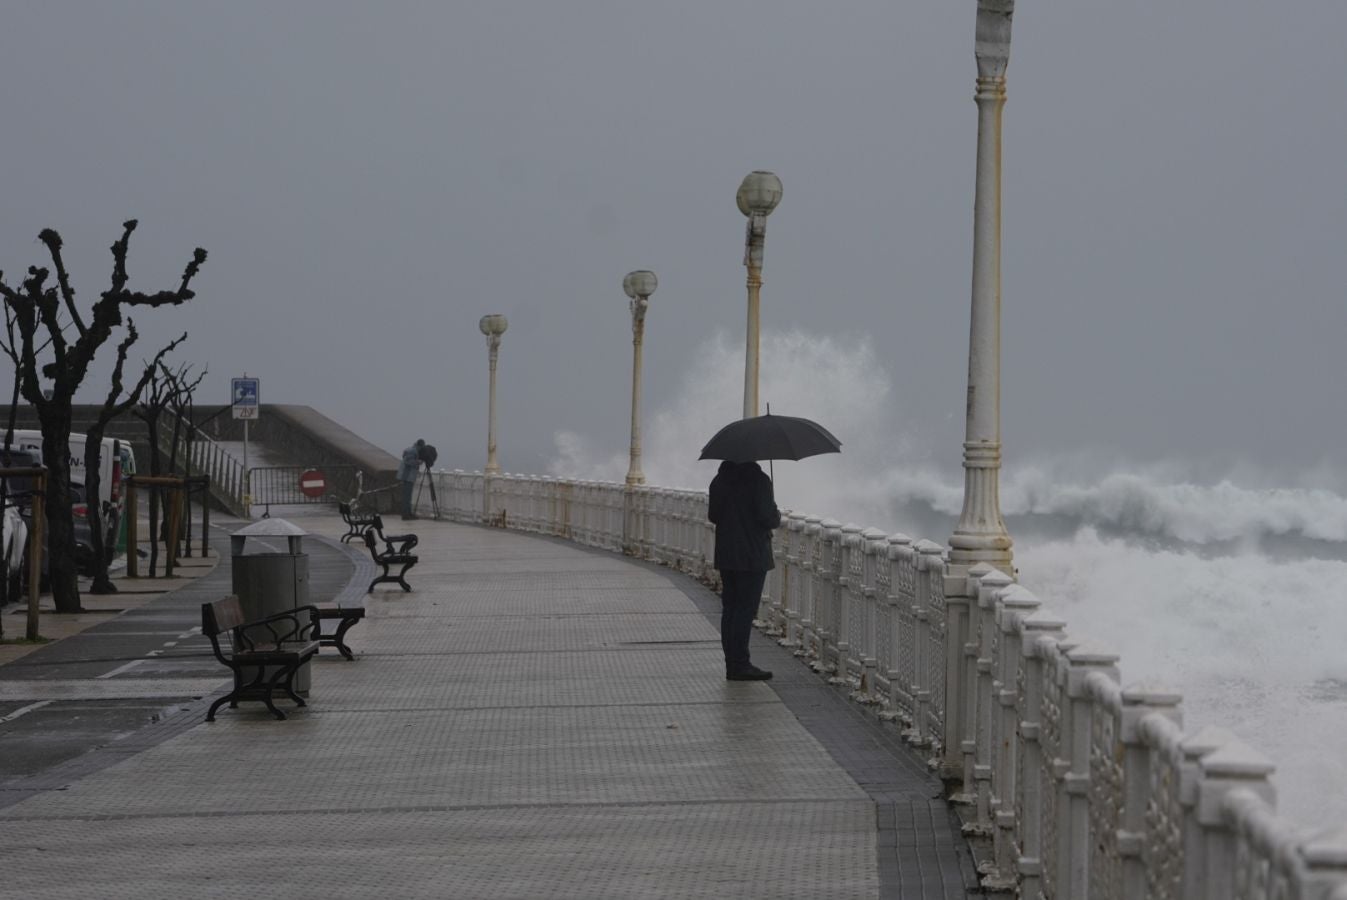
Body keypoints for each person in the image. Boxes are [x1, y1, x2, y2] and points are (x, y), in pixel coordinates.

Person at [707, 460, 781, 681]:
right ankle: (741, 664)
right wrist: (776, 513)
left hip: (727, 554)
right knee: (744, 610)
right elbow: (767, 517)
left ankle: (732, 662)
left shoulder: (719, 481)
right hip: (752, 556)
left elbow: (713, 516)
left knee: (730, 608)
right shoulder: (759, 481)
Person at [398, 439, 424, 520]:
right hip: (407, 476)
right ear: (420, 446)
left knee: (407, 496)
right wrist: (418, 462)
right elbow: (408, 461)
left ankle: (408, 513)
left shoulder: (411, 450)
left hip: (407, 476)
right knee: (407, 496)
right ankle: (406, 515)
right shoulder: (413, 451)